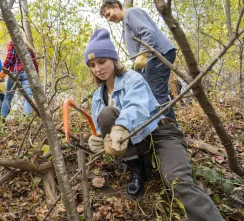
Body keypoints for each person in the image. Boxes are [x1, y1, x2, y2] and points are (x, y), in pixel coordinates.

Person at [85, 28, 222, 221]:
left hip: (160, 133)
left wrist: (121, 127)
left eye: (101, 61)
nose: (98, 68)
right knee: (106, 114)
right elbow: (101, 127)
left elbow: (136, 106)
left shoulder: (133, 78)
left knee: (178, 181)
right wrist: (98, 139)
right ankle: (136, 167)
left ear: (113, 60)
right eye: (92, 65)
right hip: (135, 144)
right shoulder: (97, 97)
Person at [100, 0, 176, 120]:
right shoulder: (126, 22)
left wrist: (142, 55)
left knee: (156, 93)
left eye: (109, 14)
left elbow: (148, 32)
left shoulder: (131, 13)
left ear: (116, 6)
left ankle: (171, 129)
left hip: (158, 55)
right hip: (151, 59)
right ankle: (160, 125)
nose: (109, 19)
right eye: (106, 17)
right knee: (146, 92)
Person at [0, 32, 39, 119]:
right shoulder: (28, 47)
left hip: (14, 73)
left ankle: (2, 119)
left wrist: (2, 73)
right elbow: (35, 63)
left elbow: (9, 59)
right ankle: (26, 120)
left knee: (8, 97)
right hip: (27, 74)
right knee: (28, 97)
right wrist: (36, 77)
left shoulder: (13, 43)